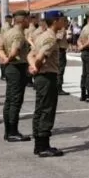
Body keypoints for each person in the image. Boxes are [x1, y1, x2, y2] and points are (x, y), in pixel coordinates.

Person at [28, 11, 65, 157]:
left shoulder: (41, 36)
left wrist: (33, 66)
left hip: (41, 77)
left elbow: (30, 55)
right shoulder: (50, 38)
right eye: (62, 19)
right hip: (47, 76)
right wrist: (36, 66)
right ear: (55, 21)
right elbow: (40, 56)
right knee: (47, 110)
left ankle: (39, 145)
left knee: (40, 109)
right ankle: (43, 146)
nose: (63, 22)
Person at [0, 10, 31, 141]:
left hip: (11, 68)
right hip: (17, 68)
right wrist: (9, 58)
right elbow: (15, 51)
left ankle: (8, 131)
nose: (29, 22)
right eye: (28, 19)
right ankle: (13, 132)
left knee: (9, 100)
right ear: (23, 20)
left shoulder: (7, 32)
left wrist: (5, 58)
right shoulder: (18, 35)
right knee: (15, 100)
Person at [56, 22, 70, 96]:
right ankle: (59, 88)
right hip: (60, 50)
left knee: (60, 69)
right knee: (60, 70)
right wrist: (63, 32)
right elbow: (58, 38)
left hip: (61, 50)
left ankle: (58, 87)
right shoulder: (61, 29)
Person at [0, 15, 13, 81]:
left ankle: (3, 75)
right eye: (11, 19)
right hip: (5, 44)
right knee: (4, 59)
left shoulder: (8, 26)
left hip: (3, 44)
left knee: (3, 59)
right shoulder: (7, 27)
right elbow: (7, 36)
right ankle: (3, 75)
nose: (12, 20)